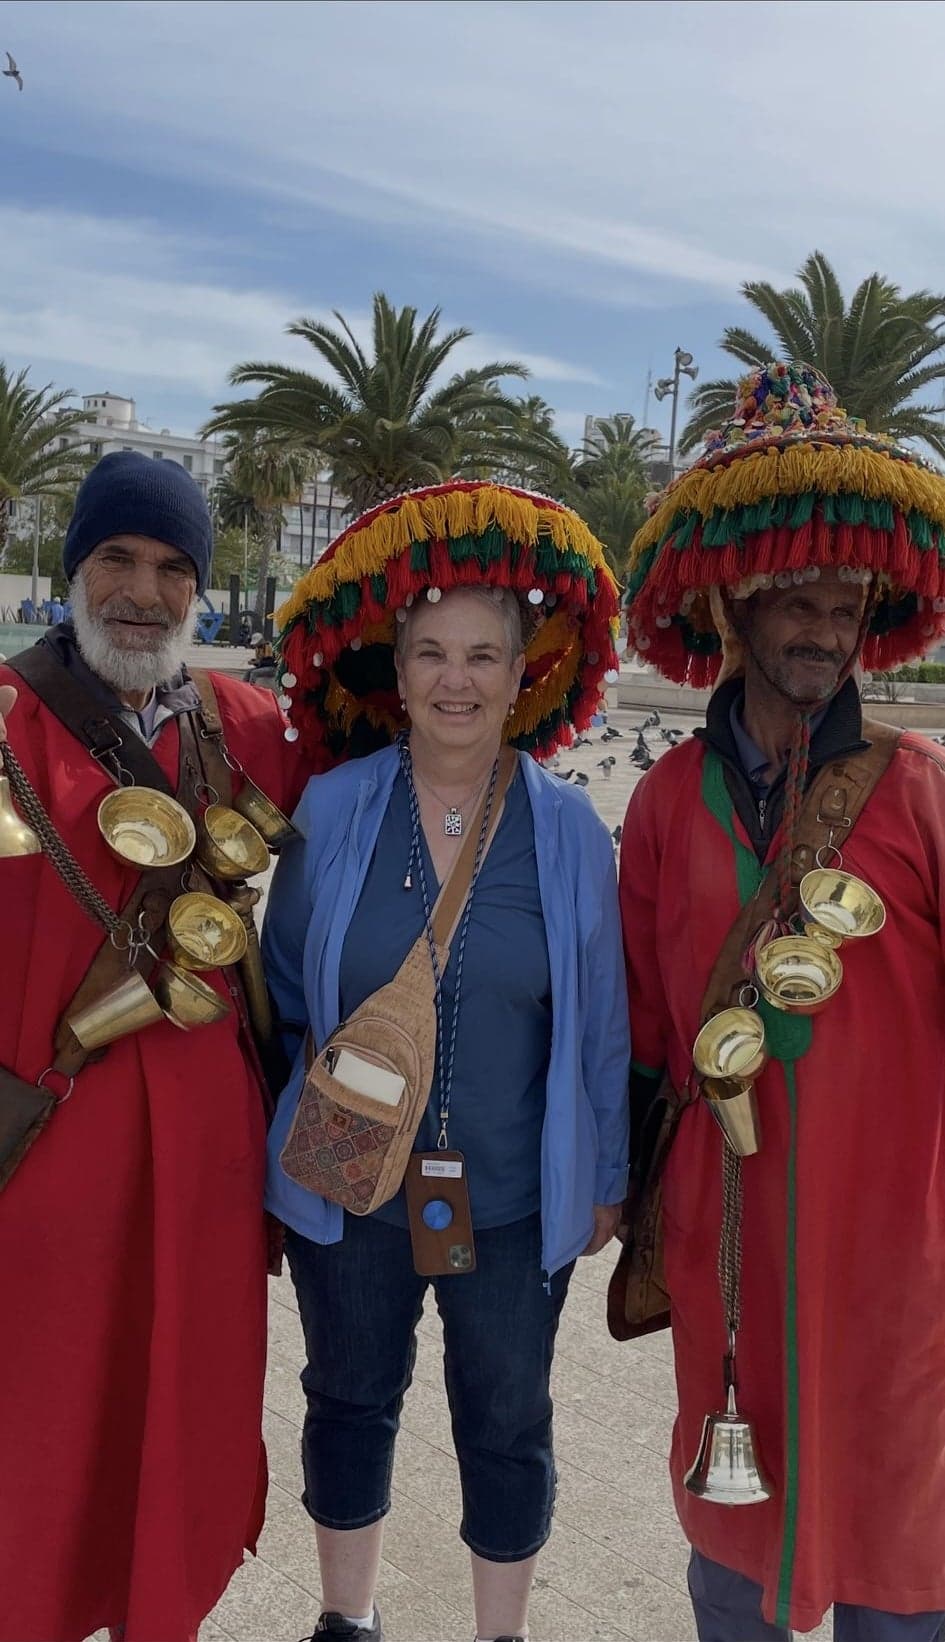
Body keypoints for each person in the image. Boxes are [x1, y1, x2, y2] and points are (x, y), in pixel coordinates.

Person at [263, 480, 630, 1642]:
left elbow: (606, 1021)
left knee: (507, 1421)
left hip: (516, 1201)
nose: (455, 680)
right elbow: (281, 995)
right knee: (349, 1398)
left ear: (524, 671)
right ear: (400, 667)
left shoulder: (570, 827)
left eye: (483, 654)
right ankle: (347, 1616)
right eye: (431, 653)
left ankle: (499, 1632)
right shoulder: (330, 809)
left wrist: (609, 1174)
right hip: (352, 1189)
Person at [614, 363, 945, 1641]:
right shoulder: (655, 804)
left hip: (898, 1257)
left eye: (846, 602)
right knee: (731, 1556)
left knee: (900, 1553)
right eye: (797, 599)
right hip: (728, 1239)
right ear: (733, 603)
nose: (823, 626)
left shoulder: (917, 793)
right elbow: (646, 1036)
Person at [0, 450, 304, 1642]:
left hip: (204, 1178)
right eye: (118, 557)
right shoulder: (12, 725)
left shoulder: (246, 728)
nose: (145, 590)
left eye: (175, 568)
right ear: (75, 567)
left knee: (176, 1417)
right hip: (46, 1176)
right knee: (43, 1435)